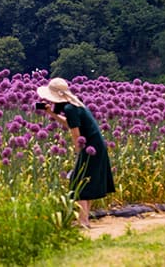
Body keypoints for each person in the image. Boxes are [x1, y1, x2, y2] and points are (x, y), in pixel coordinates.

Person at [37, 77, 115, 228]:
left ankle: (82, 222)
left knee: (78, 182)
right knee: (87, 183)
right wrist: (51, 114)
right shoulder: (75, 106)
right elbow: (70, 123)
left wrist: (78, 151)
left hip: (89, 147)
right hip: (96, 146)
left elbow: (75, 133)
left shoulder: (70, 109)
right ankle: (84, 221)